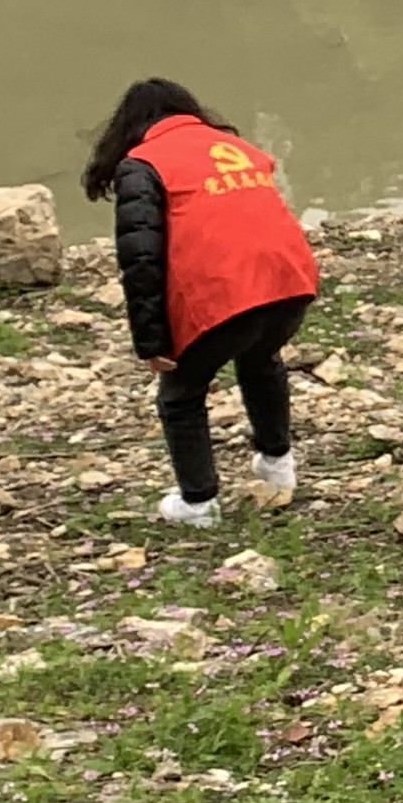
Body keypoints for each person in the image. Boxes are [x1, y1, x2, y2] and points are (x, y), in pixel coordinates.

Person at [85, 78, 324, 529]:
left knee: (181, 393)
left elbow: (141, 261)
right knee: (261, 360)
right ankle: (277, 466)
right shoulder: (238, 149)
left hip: (226, 291)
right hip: (290, 282)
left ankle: (199, 503)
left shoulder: (143, 164)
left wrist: (151, 343)